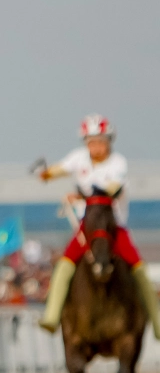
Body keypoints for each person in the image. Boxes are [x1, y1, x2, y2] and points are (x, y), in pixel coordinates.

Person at [37, 114, 160, 337]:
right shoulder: (79, 158)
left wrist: (81, 196)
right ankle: (52, 316)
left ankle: (157, 321)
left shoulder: (118, 162)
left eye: (100, 141)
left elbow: (112, 189)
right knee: (64, 265)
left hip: (114, 228)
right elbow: (61, 168)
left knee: (139, 268)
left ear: (109, 141)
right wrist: (46, 174)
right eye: (91, 142)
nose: (95, 147)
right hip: (87, 229)